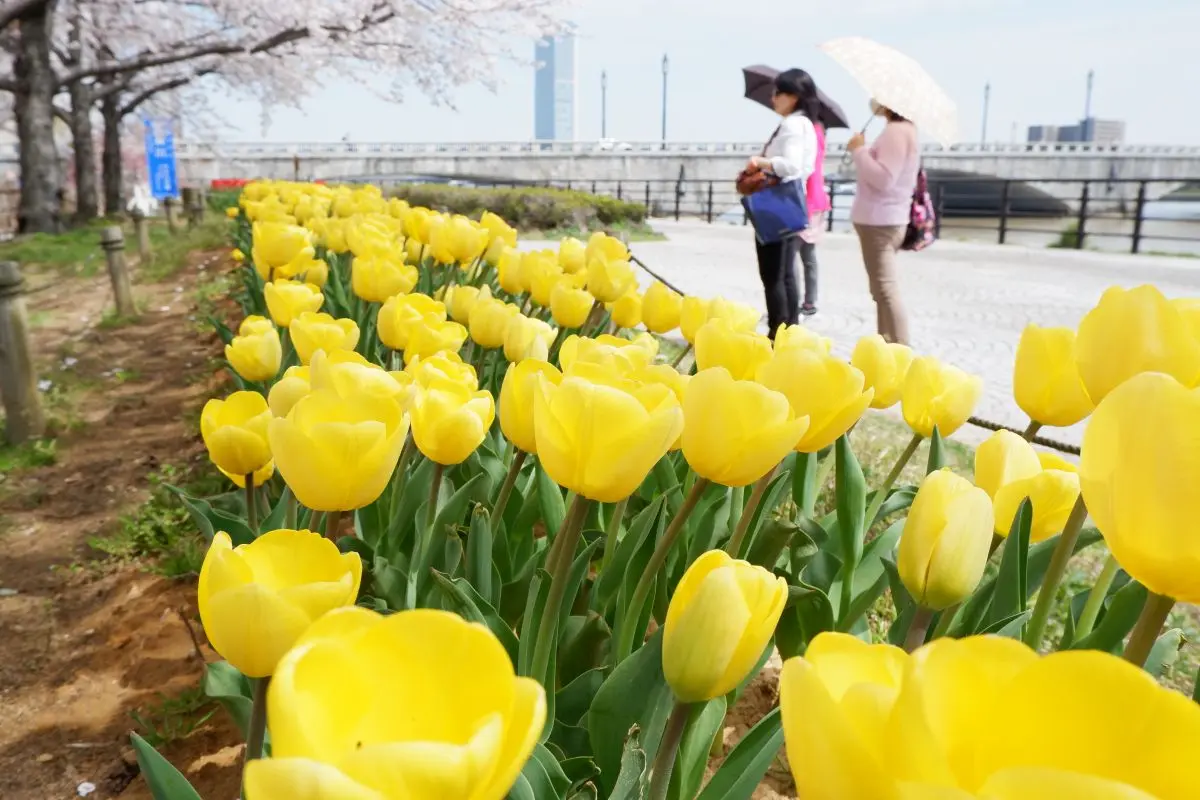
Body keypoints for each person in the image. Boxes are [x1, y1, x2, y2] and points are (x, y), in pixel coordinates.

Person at [744, 68, 819, 339]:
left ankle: (777, 332)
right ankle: (790, 330)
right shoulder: (808, 125)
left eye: (778, 92)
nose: (773, 97)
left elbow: (791, 166)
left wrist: (760, 161)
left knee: (773, 274)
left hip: (775, 205)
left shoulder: (792, 125)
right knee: (787, 273)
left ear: (793, 96)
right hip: (790, 205)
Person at [847, 100, 920, 345]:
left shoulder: (895, 131)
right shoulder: (907, 130)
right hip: (889, 217)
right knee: (882, 291)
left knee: (885, 290)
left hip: (879, 220)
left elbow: (884, 178)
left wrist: (859, 150)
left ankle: (899, 351)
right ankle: (886, 346)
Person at [798, 120, 830, 316]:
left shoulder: (808, 131)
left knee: (792, 255)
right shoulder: (820, 131)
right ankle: (810, 301)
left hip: (806, 200)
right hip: (817, 200)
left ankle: (801, 302)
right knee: (808, 256)